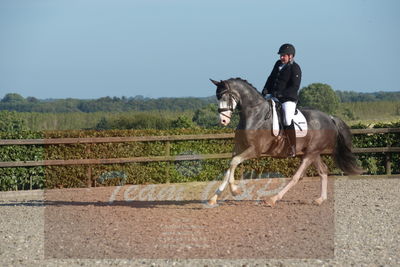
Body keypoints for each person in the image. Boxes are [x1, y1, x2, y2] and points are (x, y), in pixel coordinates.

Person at [262, 43, 302, 157]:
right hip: (274, 96)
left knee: (287, 119)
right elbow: (271, 78)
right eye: (281, 55)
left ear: (291, 56)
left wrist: (280, 94)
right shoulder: (278, 64)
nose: (281, 57)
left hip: (288, 99)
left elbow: (295, 87)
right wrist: (265, 89)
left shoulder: (295, 68)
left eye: (283, 55)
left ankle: (292, 147)